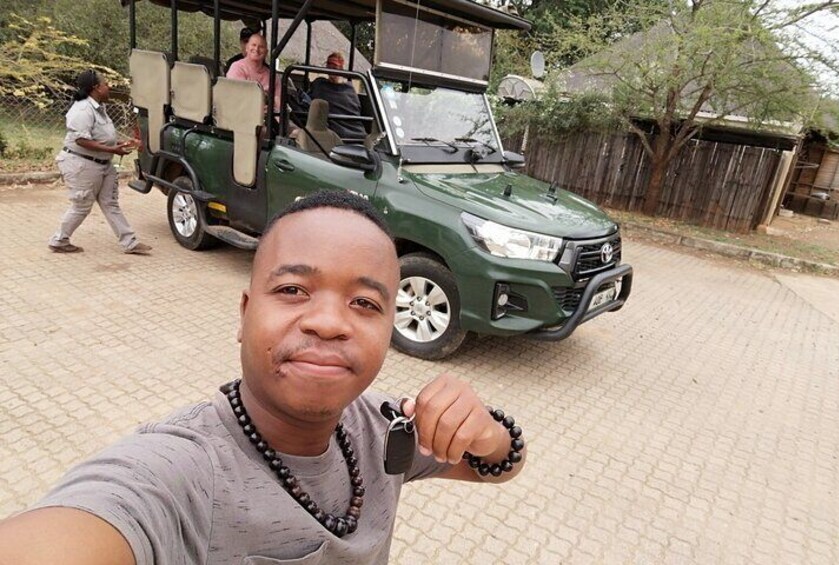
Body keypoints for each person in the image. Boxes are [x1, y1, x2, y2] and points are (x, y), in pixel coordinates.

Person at [0, 190, 526, 564]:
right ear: (245, 312)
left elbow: (496, 468)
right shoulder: (179, 473)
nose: (328, 322)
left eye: (365, 303)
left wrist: (487, 432)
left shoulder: (387, 427)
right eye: (293, 290)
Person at [48, 70, 152, 255]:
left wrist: (121, 143)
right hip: (82, 163)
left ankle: (130, 242)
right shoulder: (82, 110)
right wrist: (113, 150)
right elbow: (81, 140)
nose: (108, 87)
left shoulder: (98, 108)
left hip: (102, 163)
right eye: (105, 84)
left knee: (110, 203)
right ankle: (59, 240)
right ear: (96, 88)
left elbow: (100, 137)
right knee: (81, 206)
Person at [308, 52, 367, 140]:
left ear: (341, 68)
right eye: (329, 67)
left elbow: (355, 109)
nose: (332, 71)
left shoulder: (349, 89)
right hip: (336, 130)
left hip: (354, 131)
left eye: (335, 67)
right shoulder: (320, 84)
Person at [226, 33, 282, 111]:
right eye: (253, 45)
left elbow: (278, 103)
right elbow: (239, 97)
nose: (256, 49)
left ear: (266, 52)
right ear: (247, 48)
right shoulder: (237, 68)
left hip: (268, 115)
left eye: (261, 47)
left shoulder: (273, 76)